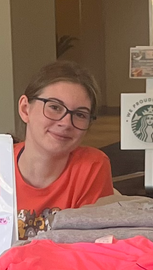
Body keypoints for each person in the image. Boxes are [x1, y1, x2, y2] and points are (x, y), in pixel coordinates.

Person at [15, 60, 113, 238]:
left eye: (80, 115)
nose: (66, 123)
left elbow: (88, 246)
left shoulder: (92, 166)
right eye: (54, 107)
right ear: (25, 109)